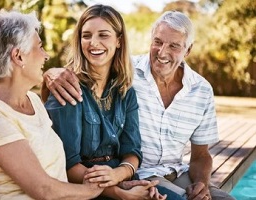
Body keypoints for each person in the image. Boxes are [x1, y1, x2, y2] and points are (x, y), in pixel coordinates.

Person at [42, 10, 236, 200]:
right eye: (158, 42)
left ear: (188, 50)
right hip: (140, 174)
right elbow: (67, 161)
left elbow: (200, 154)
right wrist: (50, 74)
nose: (162, 52)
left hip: (169, 172)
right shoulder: (126, 73)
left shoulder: (200, 90)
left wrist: (201, 183)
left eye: (174, 46)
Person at [0, 9, 104, 199]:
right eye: (39, 47)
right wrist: (93, 190)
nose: (46, 55)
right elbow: (43, 189)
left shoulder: (32, 100)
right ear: (18, 57)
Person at [43, 4, 171, 200]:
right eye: (86, 36)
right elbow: (67, 165)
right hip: (84, 189)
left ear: (119, 41)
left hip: (119, 180)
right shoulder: (67, 87)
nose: (93, 43)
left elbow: (132, 152)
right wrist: (117, 192)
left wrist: (120, 176)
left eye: (103, 35)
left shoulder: (125, 91)